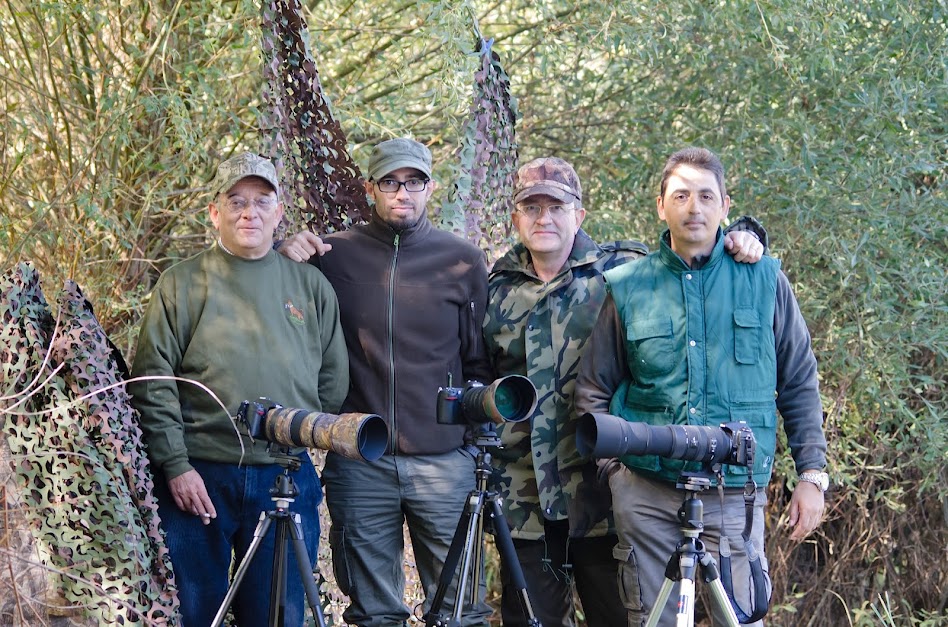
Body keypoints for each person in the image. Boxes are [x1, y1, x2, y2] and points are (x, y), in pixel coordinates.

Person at [483, 157, 766, 626]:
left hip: (602, 498)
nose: (543, 218)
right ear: (515, 216)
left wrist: (746, 234)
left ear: (580, 214)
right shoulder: (495, 288)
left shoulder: (624, 271)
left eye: (557, 206)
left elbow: (693, 264)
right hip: (524, 500)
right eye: (530, 207)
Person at [575, 147, 828, 626]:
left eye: (706, 196)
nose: (694, 207)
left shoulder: (765, 281)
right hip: (646, 496)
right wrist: (616, 476)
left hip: (735, 497)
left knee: (742, 620)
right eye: (682, 195)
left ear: (725, 205)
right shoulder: (627, 286)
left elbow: (798, 383)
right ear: (661, 205)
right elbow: (592, 393)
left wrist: (811, 476)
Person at [278, 137, 494, 626]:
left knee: (461, 609)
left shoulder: (461, 261)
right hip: (360, 461)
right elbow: (275, 296)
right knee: (374, 613)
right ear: (370, 187)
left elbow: (479, 361)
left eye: (414, 182)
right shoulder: (334, 255)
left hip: (443, 463)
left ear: (429, 188)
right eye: (391, 183)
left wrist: (469, 445)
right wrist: (281, 248)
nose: (403, 193)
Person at [129, 152, 349, 626]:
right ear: (215, 211)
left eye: (261, 201)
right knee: (193, 611)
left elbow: (332, 379)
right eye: (236, 201)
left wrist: (301, 432)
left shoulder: (309, 286)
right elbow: (152, 382)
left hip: (285, 476)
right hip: (198, 477)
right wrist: (176, 465)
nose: (249, 212)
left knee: (278, 613)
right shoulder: (182, 283)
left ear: (279, 211)